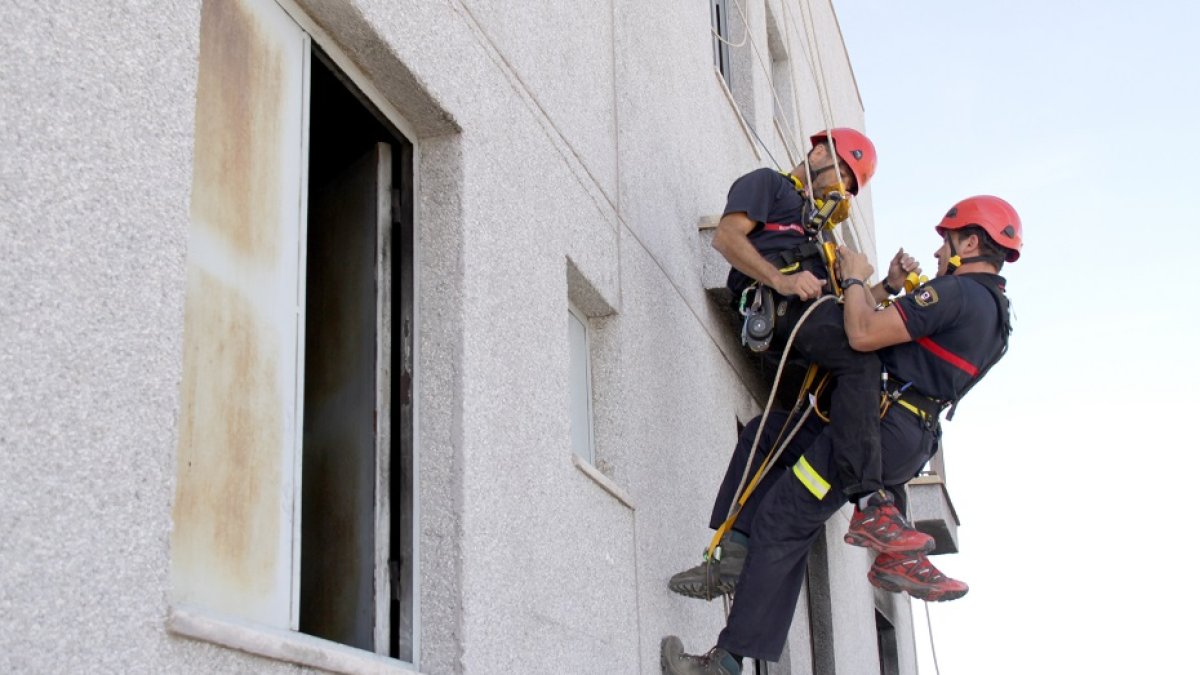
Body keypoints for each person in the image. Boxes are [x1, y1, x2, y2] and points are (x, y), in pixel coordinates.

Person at [661, 195, 1023, 674]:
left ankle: (725, 663)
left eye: (946, 243)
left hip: (874, 427)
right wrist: (890, 287)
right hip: (886, 427)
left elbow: (863, 334)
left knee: (783, 520)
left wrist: (853, 276)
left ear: (971, 242)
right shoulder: (996, 316)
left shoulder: (956, 294)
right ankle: (735, 556)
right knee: (764, 436)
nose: (937, 254)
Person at [669, 129, 927, 599]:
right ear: (818, 151)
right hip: (784, 308)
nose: (842, 187)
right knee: (861, 357)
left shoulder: (824, 235)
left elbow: (849, 312)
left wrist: (885, 286)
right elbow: (727, 238)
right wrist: (781, 282)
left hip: (819, 324)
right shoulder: (769, 184)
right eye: (842, 172)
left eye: (851, 184)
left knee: (775, 432)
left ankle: (733, 551)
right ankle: (872, 504)